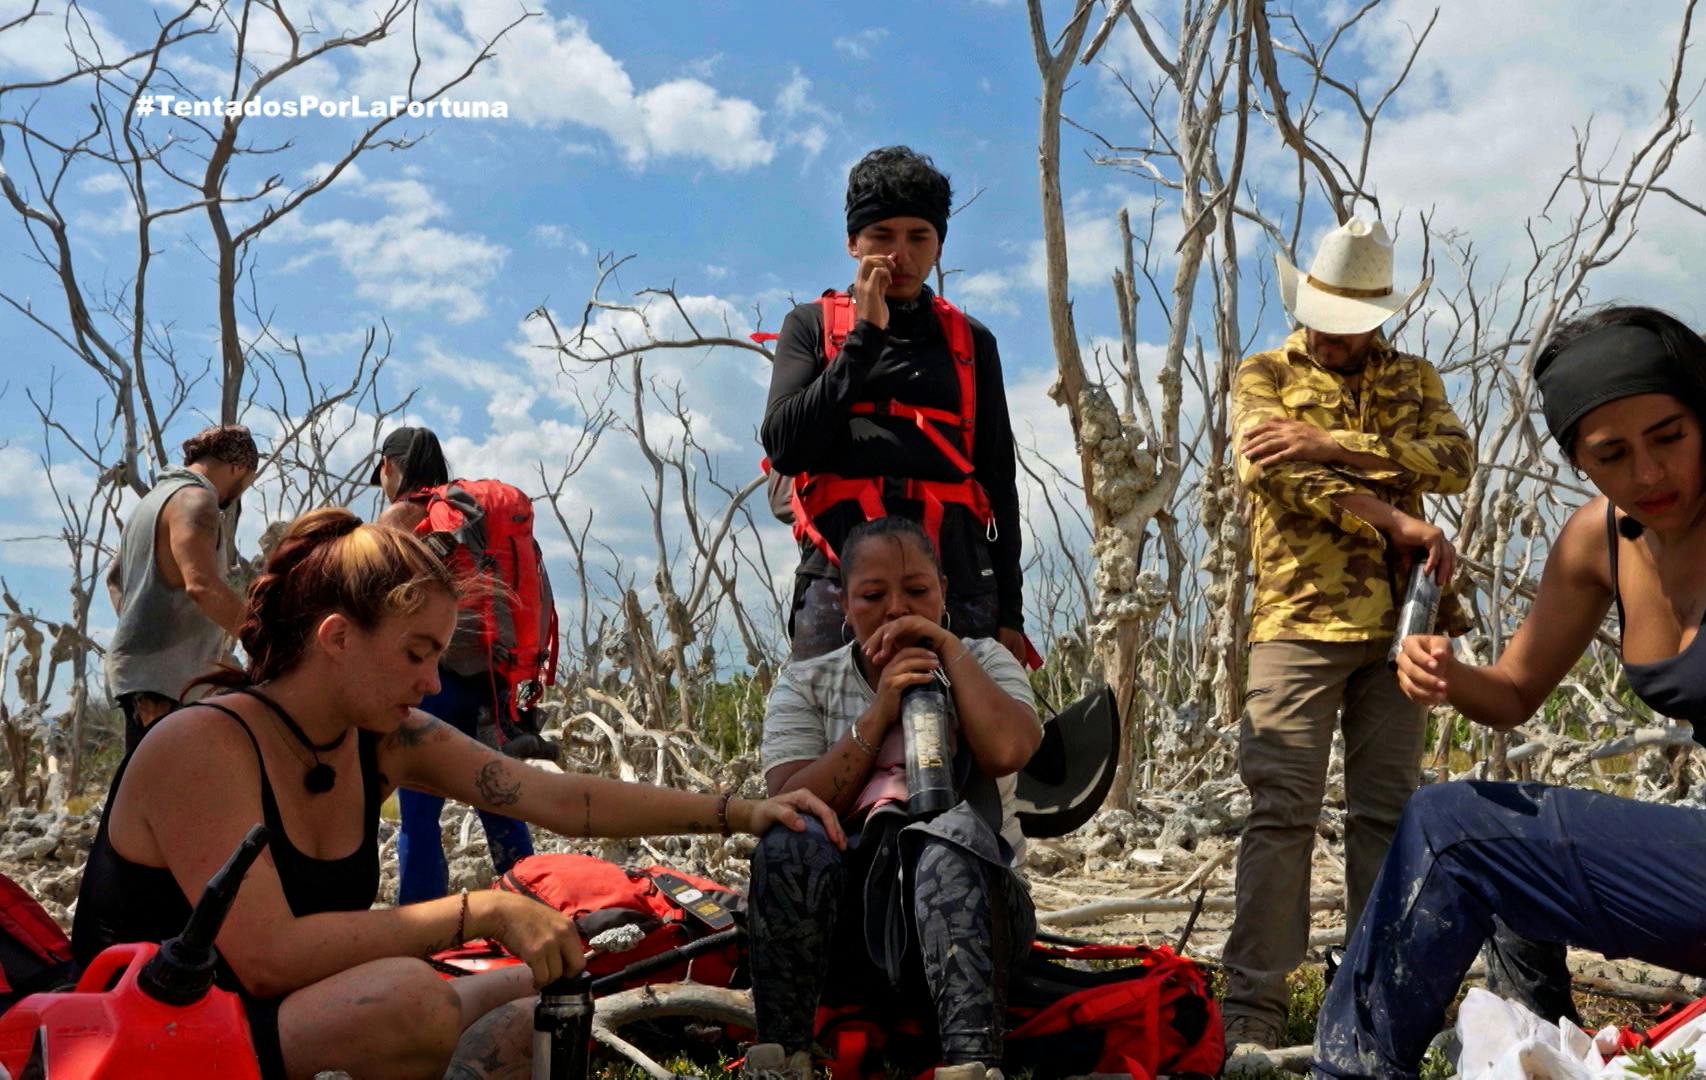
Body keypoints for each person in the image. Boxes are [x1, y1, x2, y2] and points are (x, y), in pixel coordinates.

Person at [1312, 306, 1706, 1078]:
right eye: (1613, 454)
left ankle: (1350, 1071)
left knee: (1451, 830)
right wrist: (1448, 673)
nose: (1649, 474)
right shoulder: (1596, 541)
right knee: (1507, 839)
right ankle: (1540, 1049)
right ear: (1578, 459)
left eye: (1668, 437)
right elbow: (1511, 694)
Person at [71, 507, 839, 1080]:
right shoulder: (204, 744)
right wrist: (482, 911)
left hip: (277, 1022)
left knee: (545, 991)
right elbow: (269, 958)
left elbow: (559, 800)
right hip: (145, 1036)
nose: (432, 683)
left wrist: (743, 813)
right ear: (337, 638)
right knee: (410, 1002)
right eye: (416, 653)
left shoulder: (382, 738)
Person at [1223, 217, 1472, 1049]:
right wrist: (1391, 515)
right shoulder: (1264, 372)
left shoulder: (1415, 376)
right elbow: (1273, 469)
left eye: (1351, 322)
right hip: (1296, 621)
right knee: (1280, 811)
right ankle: (1253, 1009)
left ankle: (1381, 1006)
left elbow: (1454, 459)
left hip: (1402, 623)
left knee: (1388, 815)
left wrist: (1334, 441)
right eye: (1324, 318)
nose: (1334, 336)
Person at [745, 515, 1042, 1080]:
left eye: (917, 591)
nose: (896, 610)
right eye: (873, 596)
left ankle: (972, 1066)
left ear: (944, 592)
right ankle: (784, 1055)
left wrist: (947, 651)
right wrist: (880, 712)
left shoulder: (983, 659)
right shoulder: (806, 683)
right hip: (847, 932)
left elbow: (1010, 749)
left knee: (949, 843)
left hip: (979, 920)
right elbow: (786, 801)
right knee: (789, 843)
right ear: (845, 603)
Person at [761, 145, 1028, 665]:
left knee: (980, 721)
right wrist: (865, 336)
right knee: (825, 720)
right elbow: (787, 448)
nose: (900, 255)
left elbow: (998, 480)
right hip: (839, 582)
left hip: (958, 584)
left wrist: (1010, 614)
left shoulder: (972, 343)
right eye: (882, 235)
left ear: (939, 246)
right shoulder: (811, 327)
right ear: (853, 242)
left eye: (918, 236)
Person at [370, 425, 545, 904]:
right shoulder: (474, 515)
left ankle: (420, 924)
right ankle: (534, 904)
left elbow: (367, 595)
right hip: (493, 681)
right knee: (500, 800)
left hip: (432, 684)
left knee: (419, 815)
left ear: (389, 466)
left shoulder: (402, 515)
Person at [105, 423, 258, 757]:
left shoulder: (151, 503)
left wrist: (142, 627)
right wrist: (262, 636)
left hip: (141, 674)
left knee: (146, 779)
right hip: (167, 682)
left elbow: (114, 580)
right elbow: (201, 585)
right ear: (238, 468)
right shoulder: (197, 500)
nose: (240, 493)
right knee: (165, 783)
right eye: (248, 481)